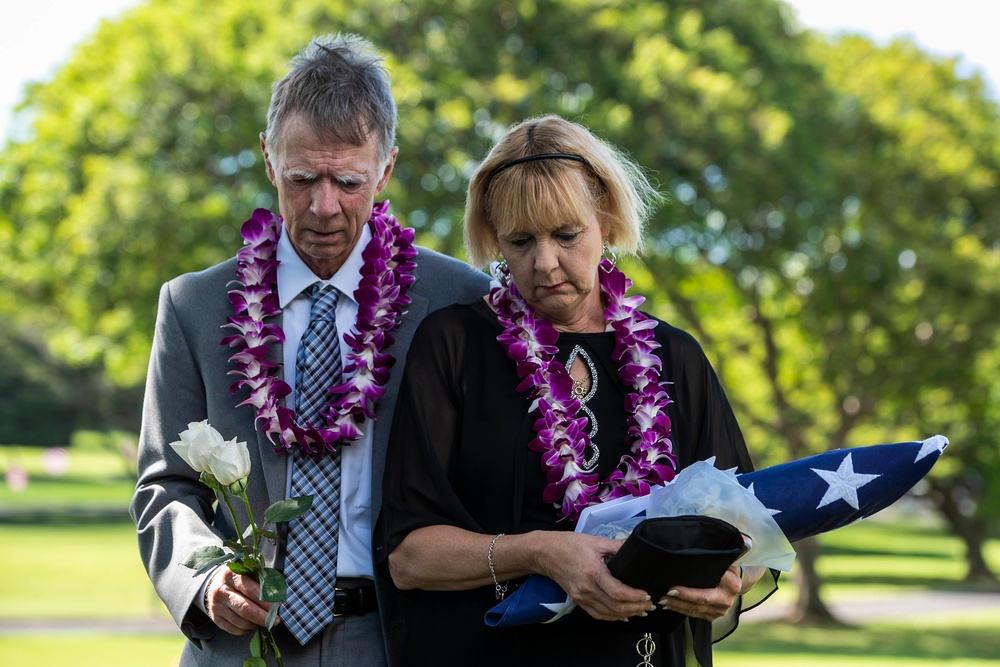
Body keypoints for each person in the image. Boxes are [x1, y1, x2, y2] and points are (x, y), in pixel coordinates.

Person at [130, 34, 490, 667]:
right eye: (302, 179)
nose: (324, 208)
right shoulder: (193, 306)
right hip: (243, 645)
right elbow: (166, 488)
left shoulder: (458, 301)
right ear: (269, 159)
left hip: (400, 641)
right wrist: (205, 579)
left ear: (387, 168)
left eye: (348, 182)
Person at [376, 115, 776, 666]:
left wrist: (728, 581)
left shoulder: (674, 356)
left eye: (566, 235)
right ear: (494, 238)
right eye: (520, 241)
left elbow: (752, 539)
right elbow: (409, 557)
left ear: (606, 221)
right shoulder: (454, 345)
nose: (544, 262)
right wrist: (541, 552)